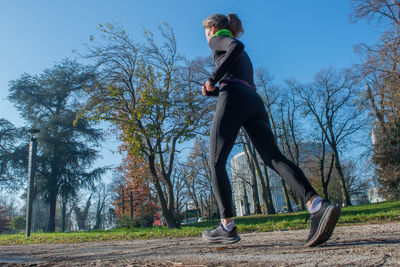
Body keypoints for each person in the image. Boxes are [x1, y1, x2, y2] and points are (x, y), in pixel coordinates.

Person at [201, 13, 341, 247]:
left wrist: (213, 78)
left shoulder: (219, 40)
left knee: (216, 161)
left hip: (234, 98)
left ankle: (226, 226)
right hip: (253, 101)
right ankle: (316, 206)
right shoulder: (242, 56)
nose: (206, 38)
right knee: (273, 157)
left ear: (213, 29)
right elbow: (237, 78)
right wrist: (214, 90)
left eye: (205, 32)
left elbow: (235, 47)